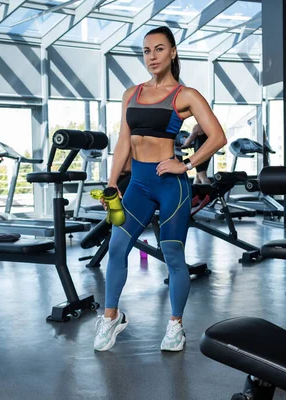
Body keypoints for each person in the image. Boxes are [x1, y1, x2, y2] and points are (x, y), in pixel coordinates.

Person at [94, 26, 227, 352]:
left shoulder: (186, 95)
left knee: (173, 255)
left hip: (171, 185)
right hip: (137, 183)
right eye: (146, 51)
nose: (152, 57)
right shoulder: (131, 93)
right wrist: (112, 183)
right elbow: (124, 142)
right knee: (116, 247)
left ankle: (175, 326)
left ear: (173, 52)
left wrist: (187, 163)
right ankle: (111, 317)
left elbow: (217, 137)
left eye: (159, 49)